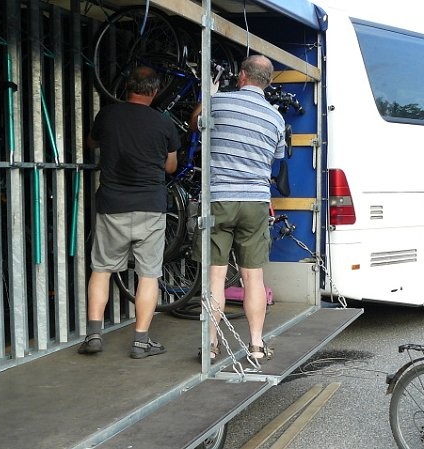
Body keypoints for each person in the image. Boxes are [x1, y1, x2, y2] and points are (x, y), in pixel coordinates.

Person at [77, 66, 180, 359]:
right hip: (150, 207)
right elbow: (171, 167)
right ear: (155, 91)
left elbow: (91, 143)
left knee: (101, 270)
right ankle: (141, 342)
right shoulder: (164, 124)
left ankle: (93, 336)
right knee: (148, 274)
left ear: (127, 87)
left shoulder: (107, 115)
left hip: (112, 205)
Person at [190, 55, 287, 362]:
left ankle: (211, 344)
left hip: (220, 198)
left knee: (216, 277)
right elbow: (277, 157)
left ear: (242, 75)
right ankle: (256, 345)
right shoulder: (276, 118)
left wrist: (208, 95)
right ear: (268, 82)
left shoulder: (219, 102)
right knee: (253, 277)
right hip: (256, 201)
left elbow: (194, 124)